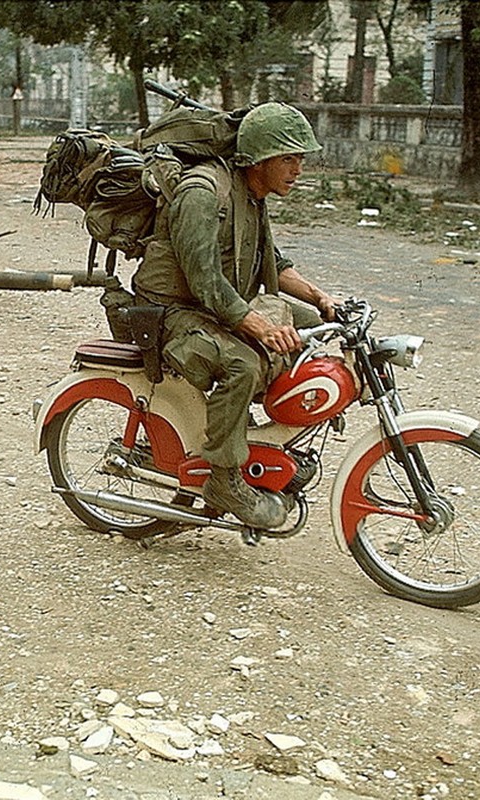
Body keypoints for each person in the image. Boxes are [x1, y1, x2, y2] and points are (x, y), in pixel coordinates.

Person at [132, 102, 336, 529]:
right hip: (171, 310)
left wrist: (321, 300)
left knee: (314, 331)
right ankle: (224, 478)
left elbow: (274, 265)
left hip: (216, 306)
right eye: (288, 158)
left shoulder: (253, 196)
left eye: (301, 158)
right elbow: (203, 281)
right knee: (243, 364)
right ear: (258, 159)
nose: (298, 169)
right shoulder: (203, 193)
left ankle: (257, 443)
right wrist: (260, 325)